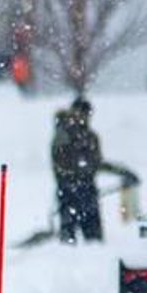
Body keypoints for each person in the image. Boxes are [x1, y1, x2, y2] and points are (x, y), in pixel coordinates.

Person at [51, 96, 104, 243]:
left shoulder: (91, 136)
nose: (84, 117)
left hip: (87, 191)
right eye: (81, 113)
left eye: (87, 114)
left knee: (94, 240)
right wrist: (78, 176)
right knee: (68, 240)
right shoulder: (64, 135)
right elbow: (60, 163)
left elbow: (97, 162)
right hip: (69, 191)